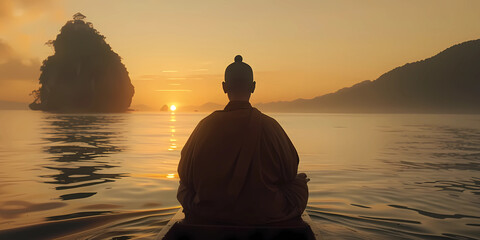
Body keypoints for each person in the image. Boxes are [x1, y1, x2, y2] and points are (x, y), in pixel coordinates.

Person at [177, 55, 309, 225]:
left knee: (183, 187)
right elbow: (290, 171)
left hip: (209, 212)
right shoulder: (270, 126)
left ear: (224, 87)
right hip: (264, 212)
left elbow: (185, 174)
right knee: (299, 182)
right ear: (253, 87)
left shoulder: (204, 126)